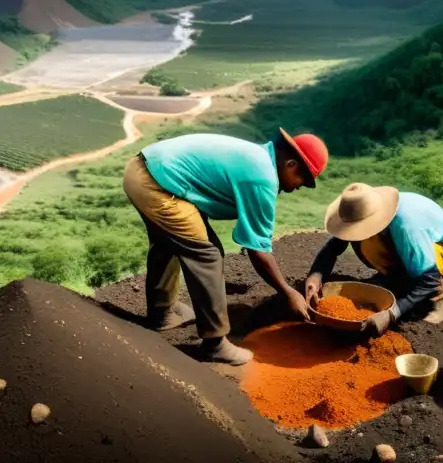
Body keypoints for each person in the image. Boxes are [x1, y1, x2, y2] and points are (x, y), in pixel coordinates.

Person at [122, 128, 328, 366]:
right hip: (157, 185)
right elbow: (258, 250)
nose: (297, 187)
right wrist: (288, 292)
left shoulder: (258, 157)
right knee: (207, 254)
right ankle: (215, 344)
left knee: (168, 241)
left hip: (143, 170)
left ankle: (163, 313)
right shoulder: (262, 177)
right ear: (291, 164)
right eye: (302, 180)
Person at [303, 183, 443, 336]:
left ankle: (437, 296)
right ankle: (397, 278)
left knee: (421, 274)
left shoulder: (407, 228)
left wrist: (392, 313)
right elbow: (335, 245)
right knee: (366, 243)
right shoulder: (364, 209)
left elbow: (428, 279)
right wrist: (316, 275)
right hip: (409, 239)